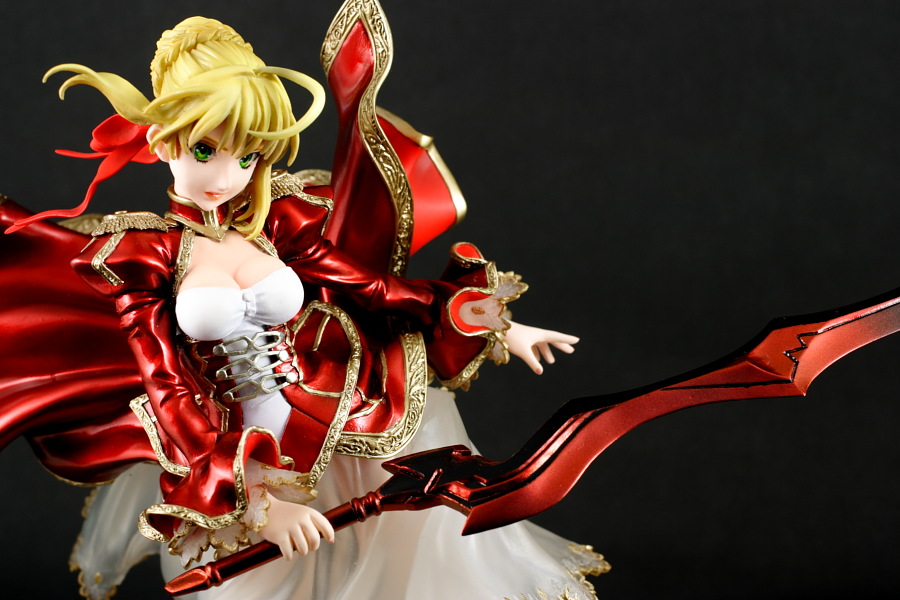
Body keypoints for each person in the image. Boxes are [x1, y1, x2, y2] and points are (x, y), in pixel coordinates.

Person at [1, 2, 608, 599]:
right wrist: (255, 498)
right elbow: (167, 386)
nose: (227, 176)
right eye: (206, 150)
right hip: (235, 451)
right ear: (162, 142)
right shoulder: (145, 255)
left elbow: (371, 288)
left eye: (249, 155)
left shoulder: (278, 224)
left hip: (334, 417)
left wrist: (493, 324)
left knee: (400, 565)